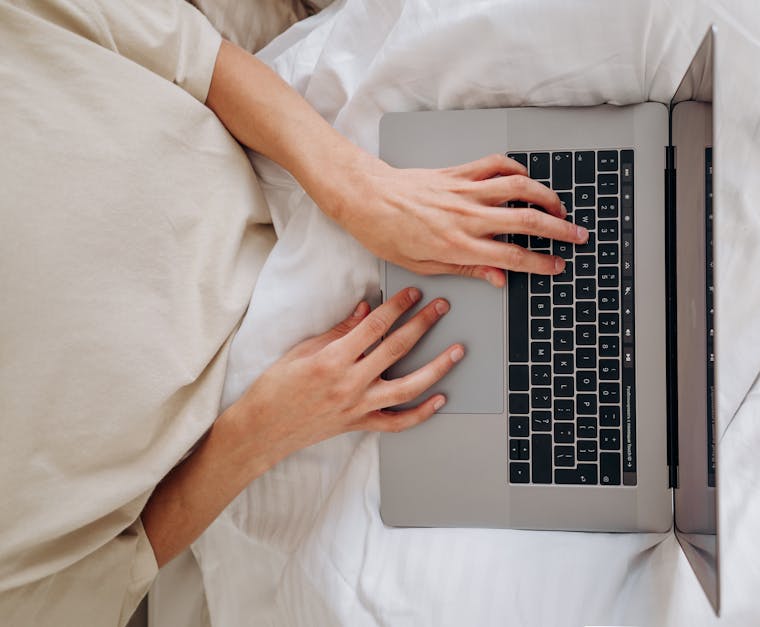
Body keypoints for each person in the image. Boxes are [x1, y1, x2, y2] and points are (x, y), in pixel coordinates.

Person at [0, 0, 587, 624]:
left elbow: (192, 56)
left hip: (292, 152)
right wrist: (271, 423)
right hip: (265, 421)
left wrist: (358, 189)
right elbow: (120, 568)